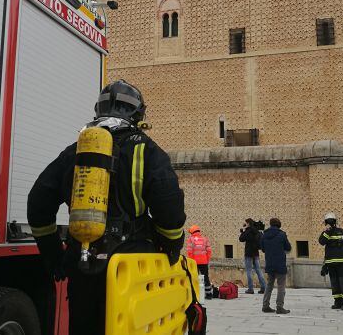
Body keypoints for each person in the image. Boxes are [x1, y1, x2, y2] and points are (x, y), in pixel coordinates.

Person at [27, 80, 186, 335]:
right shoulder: (147, 150)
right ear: (138, 113)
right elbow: (169, 206)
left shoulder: (74, 152)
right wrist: (171, 244)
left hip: (83, 264)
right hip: (132, 265)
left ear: (98, 111)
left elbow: (37, 203)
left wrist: (54, 256)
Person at [319, 212, 343, 311]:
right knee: (334, 284)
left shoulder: (342, 232)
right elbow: (321, 242)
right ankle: (338, 302)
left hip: (342, 263)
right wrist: (328, 231)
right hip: (330, 263)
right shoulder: (325, 233)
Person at [259, 217, 291, 314]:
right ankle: (279, 307)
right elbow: (288, 247)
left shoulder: (264, 235)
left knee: (269, 285)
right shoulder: (282, 234)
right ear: (279, 225)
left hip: (269, 263)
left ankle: (265, 305)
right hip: (280, 263)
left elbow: (262, 248)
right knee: (281, 286)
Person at [239, 218, 266, 294]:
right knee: (258, 270)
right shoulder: (256, 231)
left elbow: (241, 239)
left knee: (248, 271)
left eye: (246, 223)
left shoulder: (248, 231)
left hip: (248, 254)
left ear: (248, 223)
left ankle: (250, 289)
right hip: (255, 253)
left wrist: (243, 231)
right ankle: (264, 287)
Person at [186, 224, 213, 297]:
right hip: (204, 261)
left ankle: (195, 294)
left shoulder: (190, 239)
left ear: (192, 232)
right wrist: (207, 260)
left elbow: (189, 252)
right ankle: (209, 294)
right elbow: (209, 251)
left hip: (194, 262)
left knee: (194, 277)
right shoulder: (205, 239)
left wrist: (191, 262)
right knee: (206, 277)